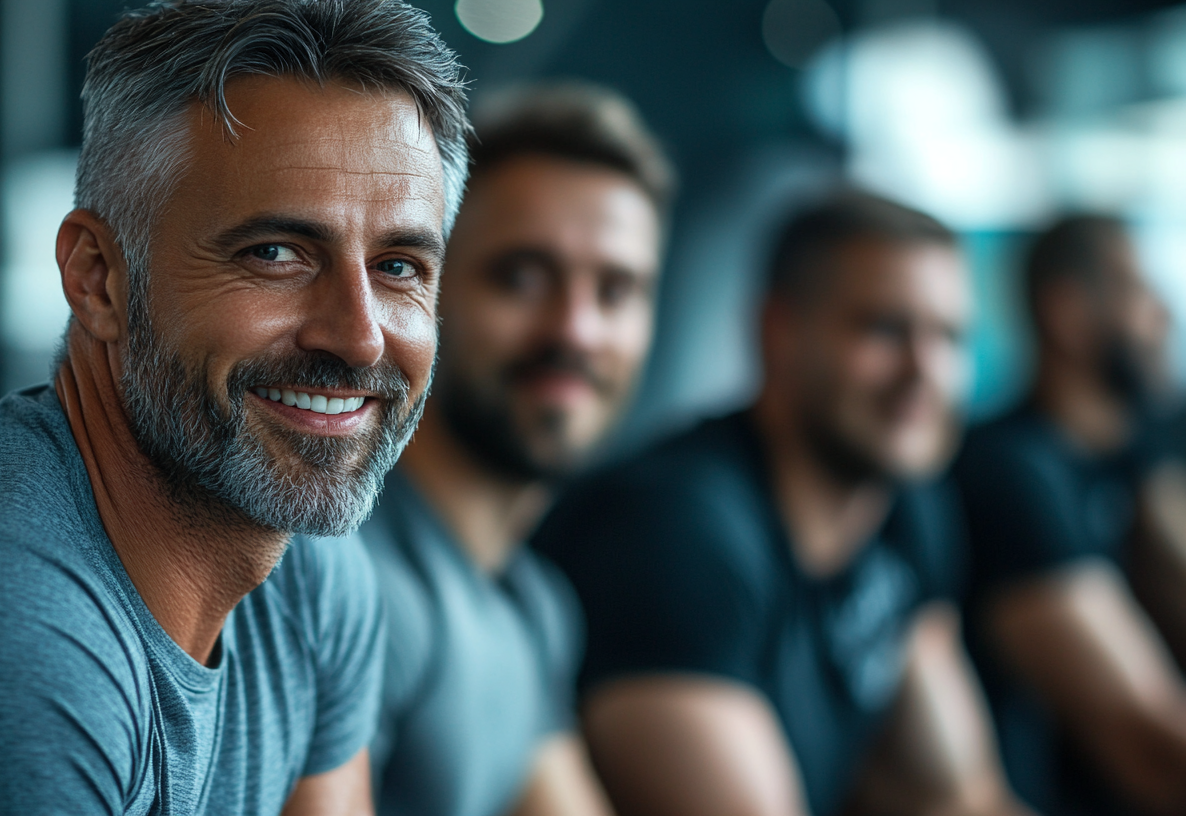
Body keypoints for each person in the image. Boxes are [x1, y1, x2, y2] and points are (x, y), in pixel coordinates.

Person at [0, 1, 468, 812]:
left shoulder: (308, 581)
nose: (361, 338)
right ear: (97, 279)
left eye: (399, 266)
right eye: (276, 253)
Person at [536, 192, 1030, 816]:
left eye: (949, 337)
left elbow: (960, 796)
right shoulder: (673, 531)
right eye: (884, 330)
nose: (924, 371)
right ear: (778, 331)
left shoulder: (906, 509)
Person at [359, 83, 672, 816]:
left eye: (616, 290)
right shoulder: (352, 584)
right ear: (426, 290)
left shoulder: (534, 607)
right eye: (522, 277)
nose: (577, 331)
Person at [954, 215, 1186, 816]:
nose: (1164, 315)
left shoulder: (1145, 449)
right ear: (1068, 312)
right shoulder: (1010, 470)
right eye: (1139, 292)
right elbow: (1149, 744)